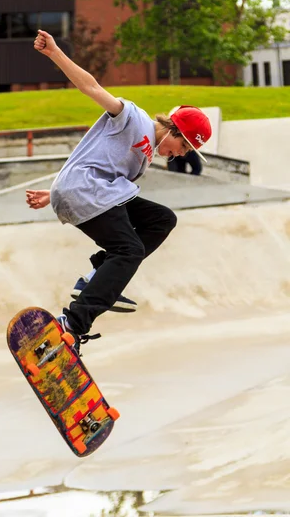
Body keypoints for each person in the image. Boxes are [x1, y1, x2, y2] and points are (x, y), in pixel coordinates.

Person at [26, 29, 212, 355]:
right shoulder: (132, 118)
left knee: (161, 219)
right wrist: (55, 53)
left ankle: (97, 275)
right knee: (129, 250)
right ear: (173, 128)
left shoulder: (147, 156)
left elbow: (96, 159)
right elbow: (91, 87)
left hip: (91, 193)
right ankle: (72, 325)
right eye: (183, 146)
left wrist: (52, 191)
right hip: (86, 192)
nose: (181, 154)